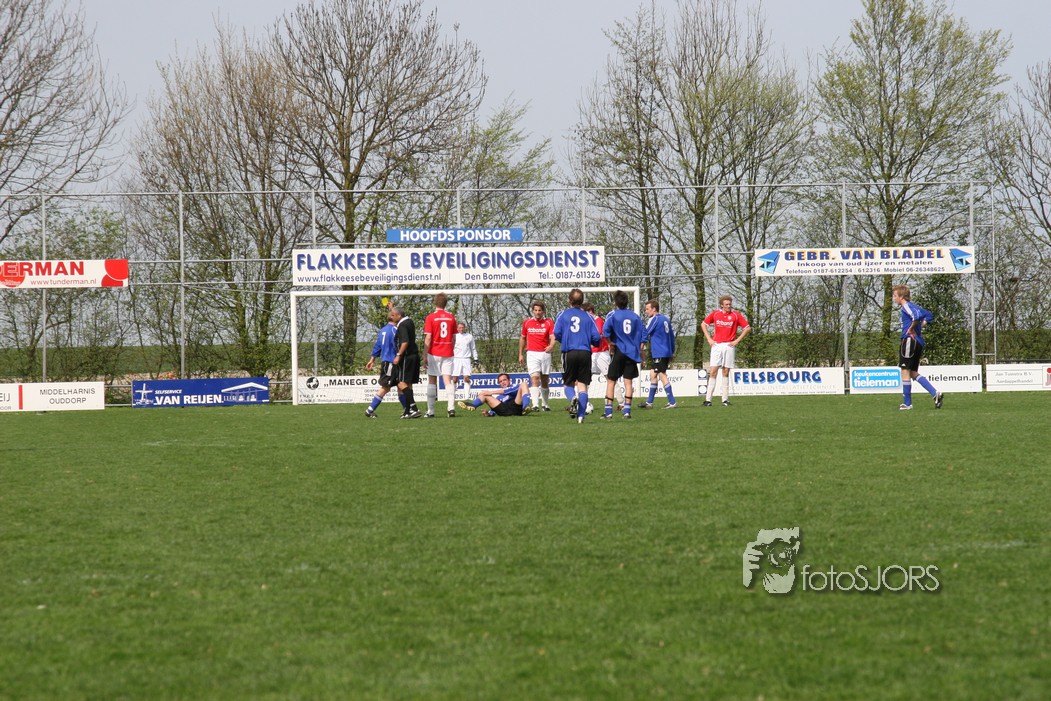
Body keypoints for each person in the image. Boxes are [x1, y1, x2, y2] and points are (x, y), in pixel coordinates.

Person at [893, 284, 944, 411]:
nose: (894, 298)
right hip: (918, 342)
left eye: (895, 296)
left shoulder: (906, 306)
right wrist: (921, 326)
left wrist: (911, 329)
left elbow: (915, 316)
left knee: (905, 370)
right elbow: (929, 315)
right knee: (912, 372)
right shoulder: (914, 306)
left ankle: (907, 404)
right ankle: (935, 393)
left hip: (909, 340)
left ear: (901, 297)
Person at [554, 288, 601, 423]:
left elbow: (556, 332)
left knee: (568, 384)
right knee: (582, 385)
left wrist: (565, 340)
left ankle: (573, 398)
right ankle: (581, 417)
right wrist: (591, 342)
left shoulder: (563, 314)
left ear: (569, 300)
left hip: (569, 352)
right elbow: (597, 337)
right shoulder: (588, 317)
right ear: (582, 301)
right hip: (585, 352)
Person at [601, 290, 644, 419]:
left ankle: (608, 412)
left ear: (615, 302)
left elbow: (605, 331)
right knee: (628, 382)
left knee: (611, 381)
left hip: (619, 351)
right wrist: (641, 349)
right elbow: (644, 334)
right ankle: (627, 412)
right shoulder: (635, 316)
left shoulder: (613, 315)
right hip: (631, 353)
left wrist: (610, 343)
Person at [702, 294, 750, 407]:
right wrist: (709, 339)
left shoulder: (736, 315)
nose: (728, 306)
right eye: (726, 304)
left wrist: (737, 340)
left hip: (729, 345)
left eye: (730, 304)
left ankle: (725, 399)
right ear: (721, 305)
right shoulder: (716, 314)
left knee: (726, 371)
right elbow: (703, 324)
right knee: (713, 371)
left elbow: (747, 328)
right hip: (717, 345)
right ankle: (708, 400)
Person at [423, 292, 457, 417]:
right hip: (447, 352)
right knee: (447, 380)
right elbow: (454, 338)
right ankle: (451, 408)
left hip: (434, 352)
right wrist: (450, 348)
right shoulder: (451, 317)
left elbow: (428, 337)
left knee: (432, 380)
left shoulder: (430, 317)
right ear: (446, 303)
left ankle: (431, 411)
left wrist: (424, 355)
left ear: (434, 302)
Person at [518, 299, 555, 411]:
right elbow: (523, 338)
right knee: (535, 378)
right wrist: (520, 354)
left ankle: (545, 404)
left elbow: (552, 337)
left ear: (543, 311)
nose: (538, 312)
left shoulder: (549, 322)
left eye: (540, 310)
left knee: (544, 380)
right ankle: (535, 405)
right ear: (533, 311)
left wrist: (551, 345)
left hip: (545, 353)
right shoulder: (527, 323)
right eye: (536, 310)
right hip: (532, 353)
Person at [641, 298, 677, 409]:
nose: (646, 311)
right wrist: (672, 351)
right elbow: (671, 337)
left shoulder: (655, 319)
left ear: (654, 309)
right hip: (665, 351)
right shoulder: (665, 319)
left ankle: (672, 402)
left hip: (660, 352)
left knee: (662, 375)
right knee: (653, 374)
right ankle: (649, 402)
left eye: (647, 309)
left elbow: (646, 332)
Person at [364, 312, 398, 418]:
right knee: (386, 387)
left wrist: (372, 359)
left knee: (400, 385)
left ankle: (408, 410)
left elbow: (377, 345)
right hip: (391, 362)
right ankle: (370, 410)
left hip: (386, 361)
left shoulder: (383, 330)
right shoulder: (394, 330)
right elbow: (398, 345)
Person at [390, 306, 422, 418]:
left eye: (393, 315)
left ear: (399, 316)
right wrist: (392, 308)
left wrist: (398, 355)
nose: (391, 317)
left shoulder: (402, 325)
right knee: (408, 384)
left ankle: (414, 408)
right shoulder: (409, 321)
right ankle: (408, 411)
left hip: (406, 357)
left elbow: (405, 342)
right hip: (414, 356)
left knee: (400, 382)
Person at [457, 372, 531, 417]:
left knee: (524, 384)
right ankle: (473, 405)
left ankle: (526, 407)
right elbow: (494, 409)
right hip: (504, 411)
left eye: (504, 380)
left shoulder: (514, 387)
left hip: (516, 407)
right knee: (484, 394)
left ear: (509, 380)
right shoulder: (499, 397)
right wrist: (489, 414)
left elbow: (508, 391)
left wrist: (491, 392)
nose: (503, 382)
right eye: (500, 381)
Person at [451, 321, 478, 402]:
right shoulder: (454, 336)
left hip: (466, 359)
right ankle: (452, 396)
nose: (461, 329)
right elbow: (450, 347)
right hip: (456, 359)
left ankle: (467, 397)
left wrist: (476, 358)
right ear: (457, 328)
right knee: (455, 378)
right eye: (459, 327)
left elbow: (473, 348)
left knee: (466, 378)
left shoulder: (469, 336)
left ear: (465, 328)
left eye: (462, 327)